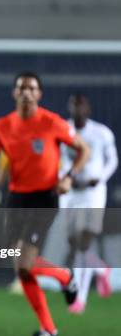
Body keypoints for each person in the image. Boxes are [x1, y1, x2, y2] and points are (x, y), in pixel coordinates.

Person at [0, 72, 90, 336]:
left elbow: (84, 150)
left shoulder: (51, 122)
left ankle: (65, 278)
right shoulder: (3, 126)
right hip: (17, 198)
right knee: (21, 267)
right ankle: (50, 327)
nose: (26, 92)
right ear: (14, 93)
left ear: (39, 94)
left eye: (31, 88)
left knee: (24, 263)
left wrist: (68, 177)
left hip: (44, 197)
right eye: (21, 88)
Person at [59, 94, 118, 314]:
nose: (77, 110)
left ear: (88, 109)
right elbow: (55, 157)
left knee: (85, 241)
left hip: (93, 193)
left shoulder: (101, 133)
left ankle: (79, 298)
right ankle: (101, 269)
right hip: (70, 193)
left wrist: (100, 178)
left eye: (81, 106)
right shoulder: (62, 130)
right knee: (73, 243)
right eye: (74, 105)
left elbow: (112, 160)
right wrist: (62, 177)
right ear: (69, 108)